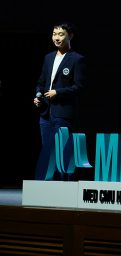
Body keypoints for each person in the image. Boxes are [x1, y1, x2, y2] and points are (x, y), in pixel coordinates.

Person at [33, 22, 86, 180]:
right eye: (54, 34)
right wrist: (38, 95)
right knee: (47, 151)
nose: (57, 38)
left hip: (63, 113)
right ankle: (50, 187)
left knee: (63, 151)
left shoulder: (77, 59)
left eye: (61, 34)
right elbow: (41, 82)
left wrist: (58, 92)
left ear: (70, 36)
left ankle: (66, 186)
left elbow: (79, 87)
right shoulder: (48, 58)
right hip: (45, 113)